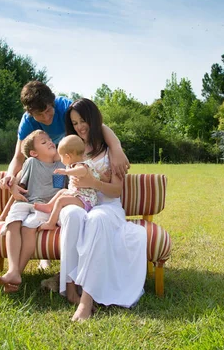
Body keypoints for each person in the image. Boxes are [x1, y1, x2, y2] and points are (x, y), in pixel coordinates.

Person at [0, 80, 130, 269]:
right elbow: (19, 156)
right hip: (54, 165)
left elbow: (95, 125)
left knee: (60, 191)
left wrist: (116, 148)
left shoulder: (64, 106)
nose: (46, 118)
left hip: (70, 163)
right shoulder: (27, 122)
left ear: (53, 103)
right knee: (51, 192)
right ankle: (46, 255)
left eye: (48, 111)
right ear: (30, 113)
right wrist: (10, 176)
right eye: (39, 115)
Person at [56, 98, 147, 321]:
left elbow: (116, 191)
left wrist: (94, 183)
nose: (79, 126)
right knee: (71, 214)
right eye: (75, 123)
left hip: (107, 206)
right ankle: (69, 289)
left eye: (83, 120)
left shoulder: (110, 151)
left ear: (93, 119)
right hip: (79, 203)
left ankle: (86, 300)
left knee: (97, 219)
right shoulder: (73, 149)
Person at [0, 130, 65, 292]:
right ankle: (12, 269)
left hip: (45, 206)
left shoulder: (60, 166)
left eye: (50, 140)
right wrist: (3, 215)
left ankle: (17, 273)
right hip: (25, 201)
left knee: (28, 228)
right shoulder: (31, 163)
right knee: (13, 222)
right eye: (44, 142)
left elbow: (58, 191)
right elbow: (20, 190)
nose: (50, 142)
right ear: (33, 153)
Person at [34, 134, 99, 231]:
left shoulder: (81, 165)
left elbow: (82, 171)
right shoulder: (80, 162)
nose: (60, 159)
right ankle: (49, 206)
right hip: (78, 195)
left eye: (61, 156)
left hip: (85, 200)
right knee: (62, 191)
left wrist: (66, 171)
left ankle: (50, 223)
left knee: (61, 200)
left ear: (68, 156)